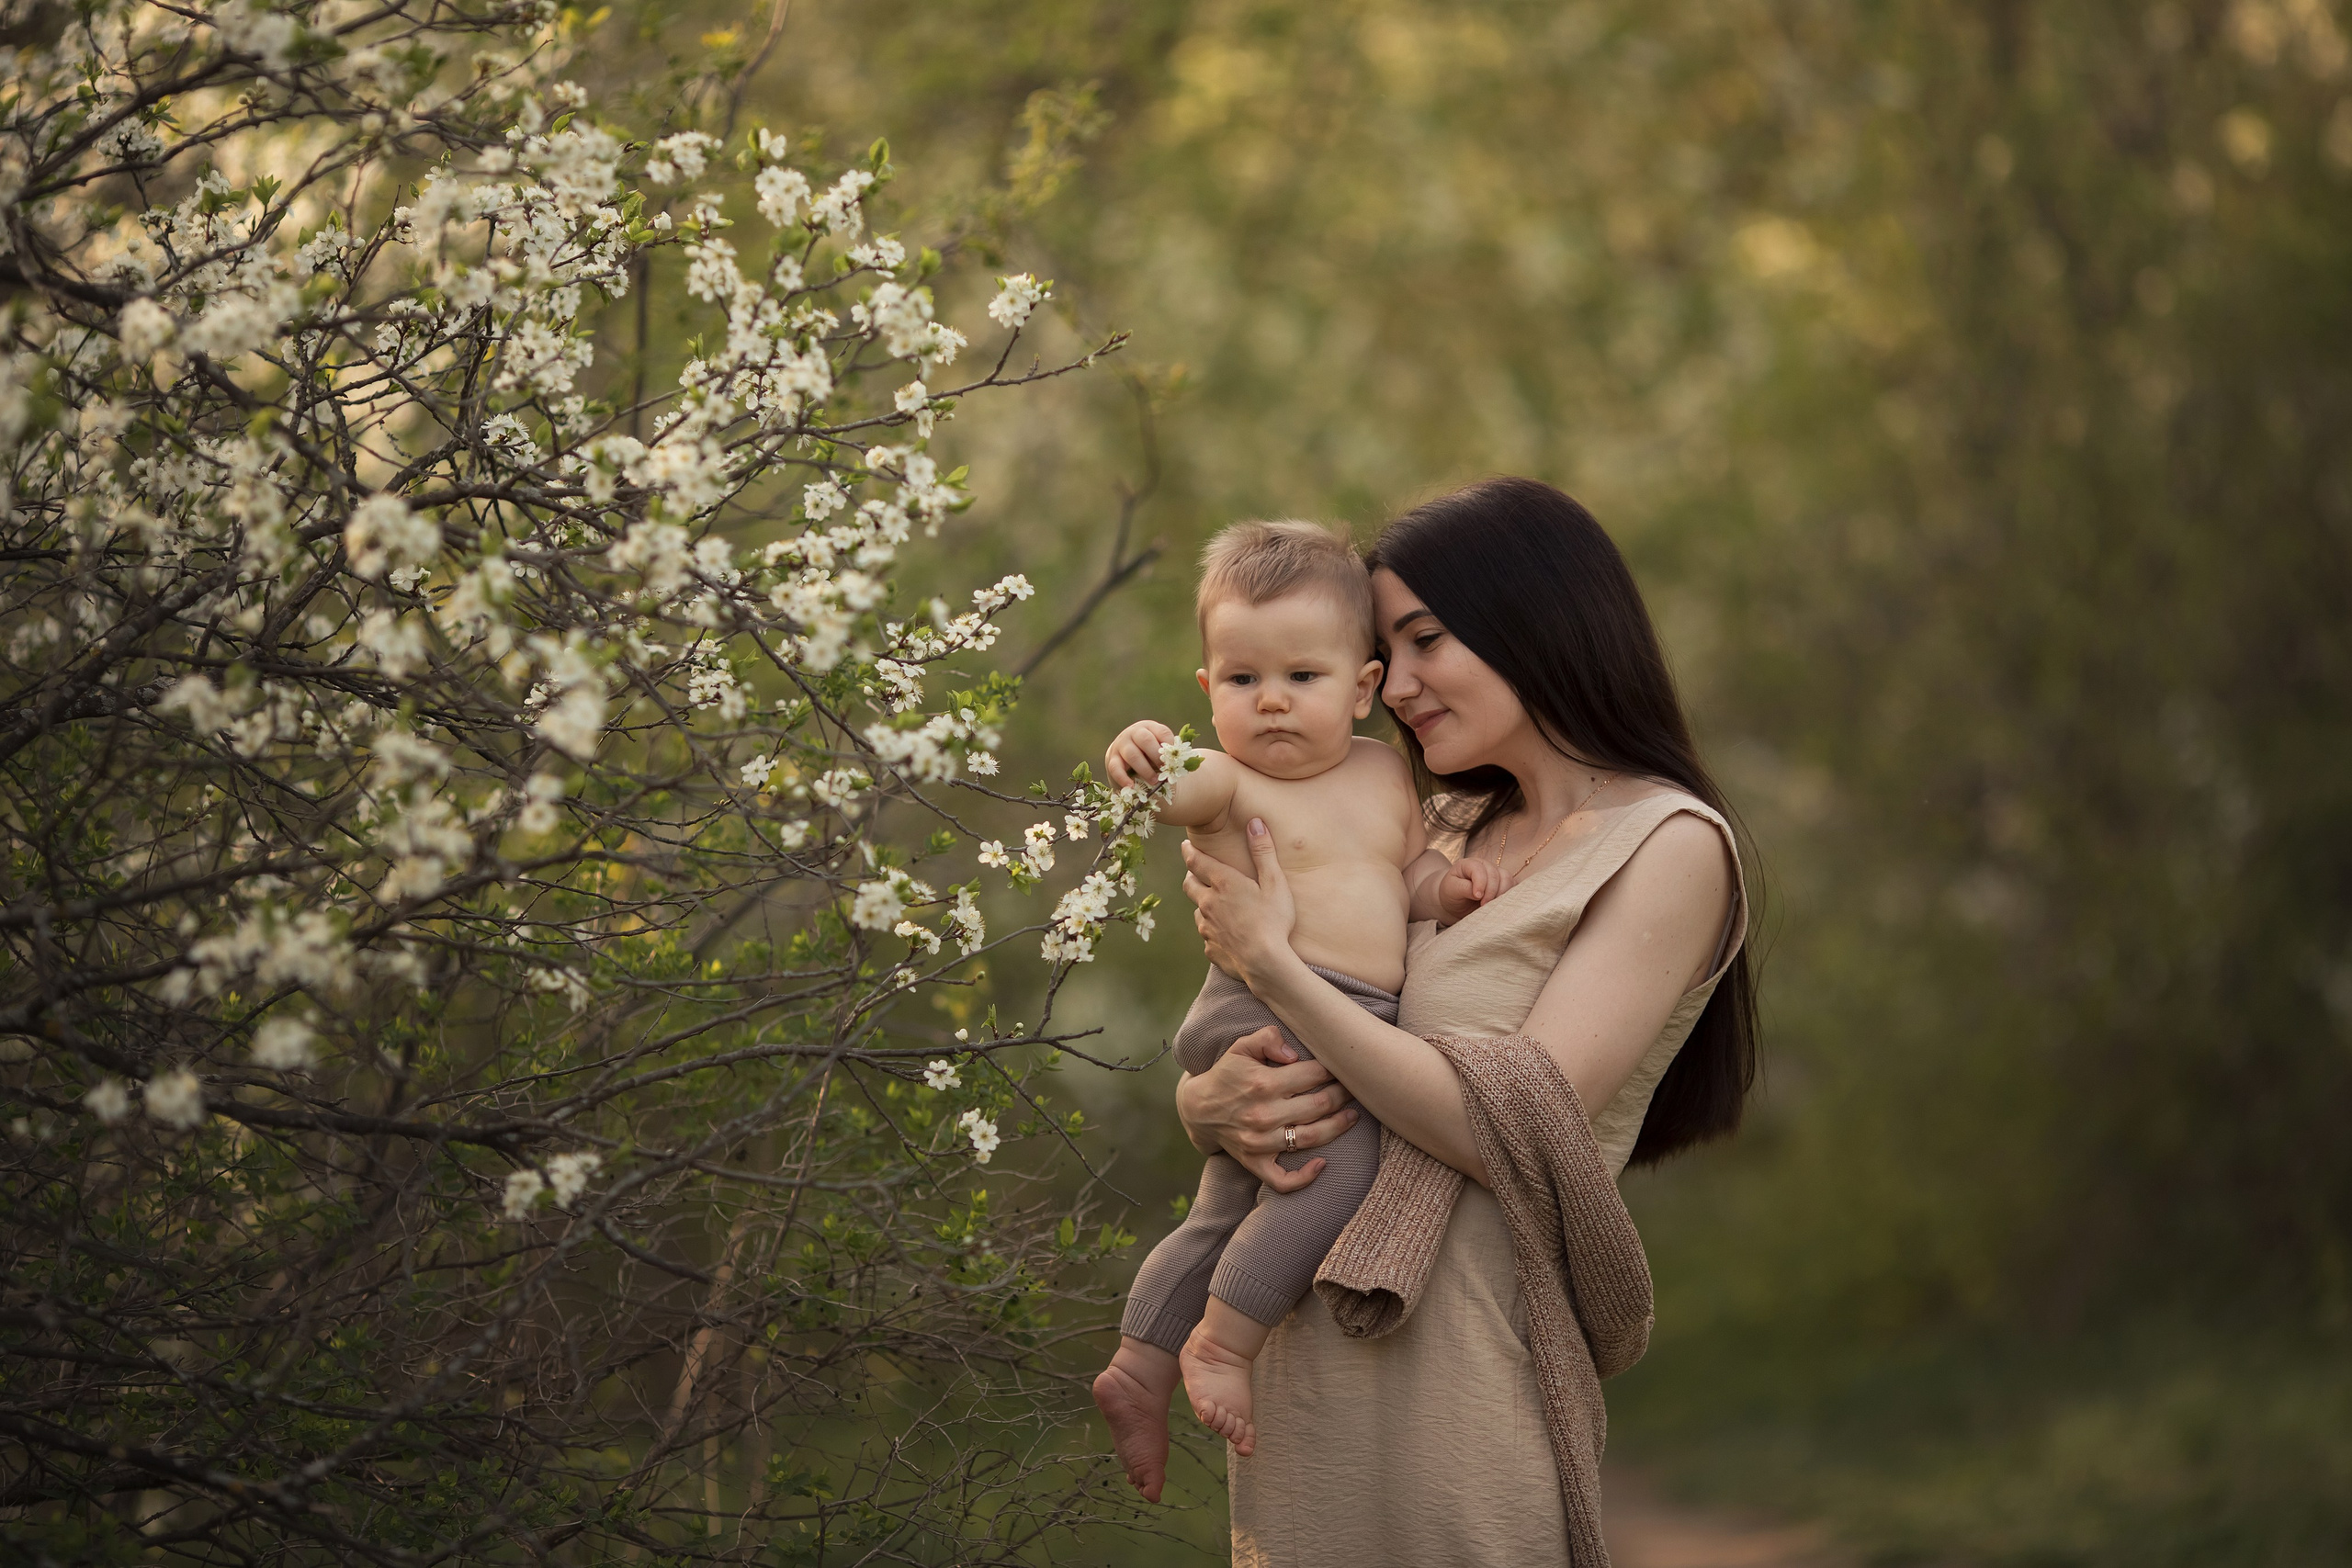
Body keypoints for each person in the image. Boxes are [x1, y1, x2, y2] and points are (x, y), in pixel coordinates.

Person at [1172, 477, 1756, 1566]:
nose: (1396, 685)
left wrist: (1273, 966)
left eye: (1426, 640)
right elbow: (1276, 1044)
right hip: (1298, 1355)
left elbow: (1520, 1111)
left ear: (1533, 619)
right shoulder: (1424, 826)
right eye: (1384, 654)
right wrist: (1208, 1102)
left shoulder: (1668, 844)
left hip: (1460, 1381)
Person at [1090, 519, 1492, 1503]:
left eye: (1301, 678)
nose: (1269, 700)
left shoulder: (1382, 773)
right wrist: (1142, 756)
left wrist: (1443, 892)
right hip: (1262, 1013)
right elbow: (1176, 787)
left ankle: (1137, 1363)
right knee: (1336, 1162)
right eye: (1240, 679)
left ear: (1360, 687)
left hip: (1327, 1007)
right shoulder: (1234, 780)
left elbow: (1395, 880)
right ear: (1206, 689)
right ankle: (1223, 1344)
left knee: (1227, 1203)